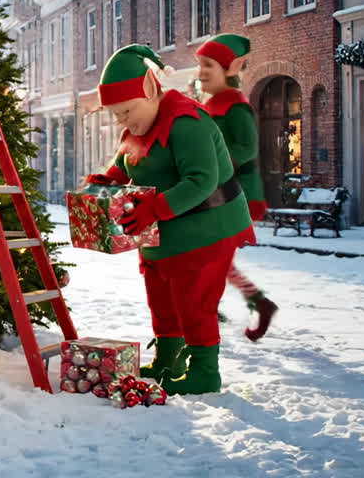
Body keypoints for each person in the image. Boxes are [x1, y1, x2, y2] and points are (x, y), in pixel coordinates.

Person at [85, 44, 254, 395]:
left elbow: (201, 181)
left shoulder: (186, 124)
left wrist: (154, 208)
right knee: (161, 295)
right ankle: (168, 359)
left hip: (206, 229)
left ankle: (204, 372)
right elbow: (127, 162)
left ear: (150, 90)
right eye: (116, 115)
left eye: (126, 111)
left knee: (195, 301)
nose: (122, 121)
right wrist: (108, 180)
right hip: (163, 234)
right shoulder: (137, 126)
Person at [195, 34, 279, 341]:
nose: (201, 72)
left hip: (234, 196)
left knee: (213, 257)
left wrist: (212, 162)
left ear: (229, 70)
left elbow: (246, 147)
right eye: (200, 65)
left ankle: (245, 303)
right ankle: (229, 305)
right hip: (216, 194)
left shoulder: (235, 107)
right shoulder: (210, 105)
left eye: (208, 65)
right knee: (212, 256)